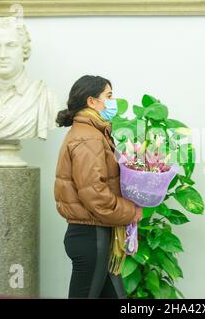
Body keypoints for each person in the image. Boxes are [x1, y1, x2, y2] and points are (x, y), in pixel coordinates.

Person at [54, 75, 142, 299]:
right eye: (109, 96)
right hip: (91, 237)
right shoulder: (88, 138)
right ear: (92, 102)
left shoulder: (94, 133)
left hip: (99, 235)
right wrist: (131, 212)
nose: (113, 102)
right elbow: (95, 196)